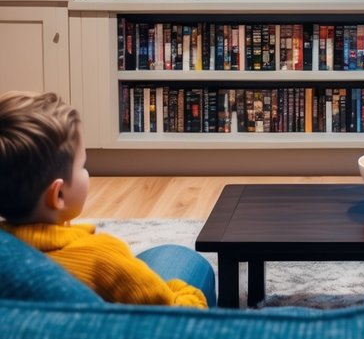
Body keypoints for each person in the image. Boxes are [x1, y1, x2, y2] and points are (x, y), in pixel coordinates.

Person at [0, 90, 216, 308]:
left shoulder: (10, 252)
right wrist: (188, 294)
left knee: (161, 255)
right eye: (82, 166)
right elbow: (176, 316)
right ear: (59, 195)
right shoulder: (102, 258)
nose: (87, 172)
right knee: (186, 260)